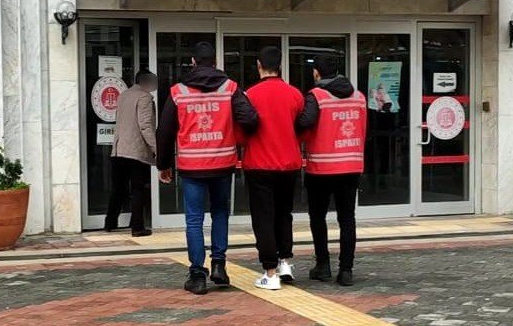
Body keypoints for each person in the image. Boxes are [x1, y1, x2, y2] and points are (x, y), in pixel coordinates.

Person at [156, 41, 258, 295]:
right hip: (223, 163)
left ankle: (197, 275)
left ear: (193, 62)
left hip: (191, 166)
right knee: (220, 213)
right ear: (215, 62)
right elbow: (250, 118)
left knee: (194, 220)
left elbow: (165, 131)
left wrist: (164, 165)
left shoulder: (178, 92)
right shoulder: (229, 88)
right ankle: (219, 266)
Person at [297, 54, 367, 286]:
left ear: (316, 73)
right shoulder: (358, 97)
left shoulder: (316, 96)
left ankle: (323, 265)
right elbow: (363, 129)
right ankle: (346, 270)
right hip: (351, 166)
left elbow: (305, 125)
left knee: (318, 217)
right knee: (347, 219)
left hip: (321, 168)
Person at [242, 46, 304, 290]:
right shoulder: (295, 95)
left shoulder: (250, 95)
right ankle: (285, 261)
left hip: (259, 164)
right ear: (280, 66)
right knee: (284, 214)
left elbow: (242, 130)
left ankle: (270, 273)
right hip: (289, 163)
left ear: (259, 65)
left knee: (263, 218)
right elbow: (303, 126)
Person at [105, 69, 158, 237]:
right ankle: (137, 227)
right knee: (137, 189)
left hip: (119, 149)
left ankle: (110, 222)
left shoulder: (124, 95)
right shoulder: (144, 97)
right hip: (135, 151)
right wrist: (155, 148)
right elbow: (145, 125)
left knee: (118, 188)